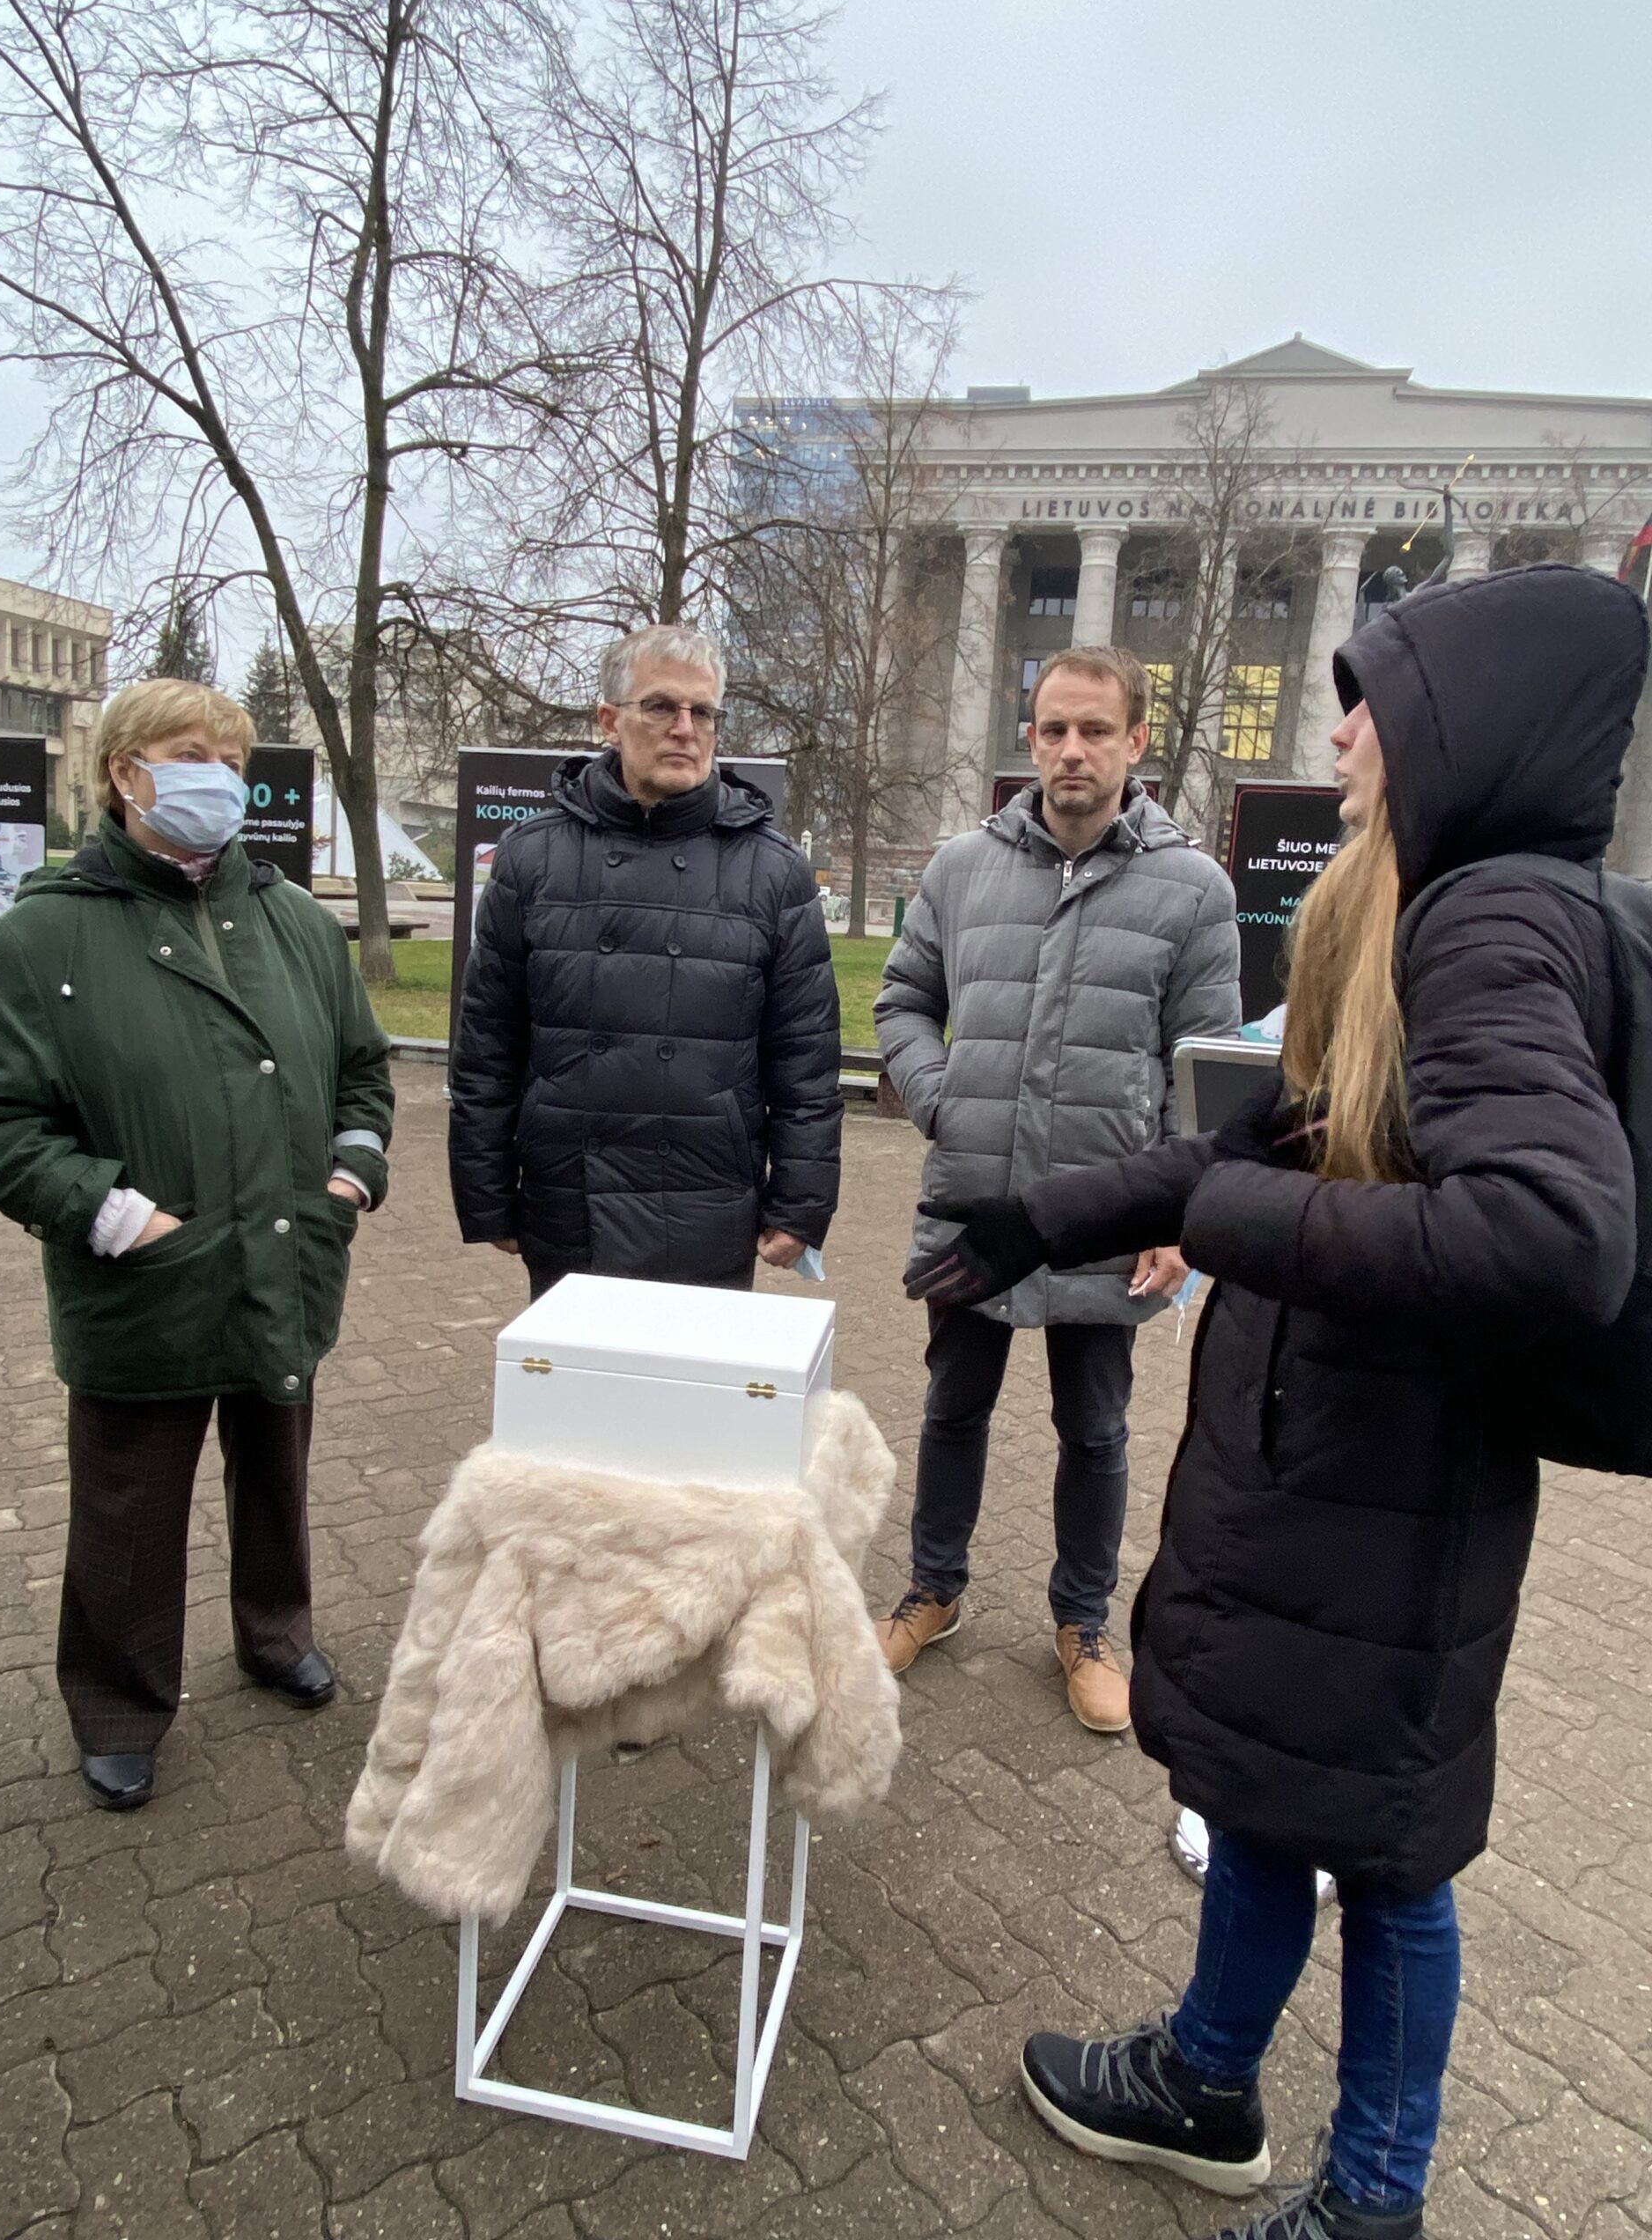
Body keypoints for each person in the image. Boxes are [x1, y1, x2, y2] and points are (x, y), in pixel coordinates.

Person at [904, 564, 1645, 2239]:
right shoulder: (1418, 904)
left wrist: (1226, 1224)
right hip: (1321, 1461)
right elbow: (1285, 1140)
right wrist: (1053, 1217)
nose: (1343, 734)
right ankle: (1205, 2081)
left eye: (1374, 704)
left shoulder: (1488, 923)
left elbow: (1550, 1232)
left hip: (1394, 1484)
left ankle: (1372, 2200)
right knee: (1255, 1777)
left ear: (1462, 727)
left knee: (1383, 1849)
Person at [0, 679, 393, 1811]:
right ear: (126, 772)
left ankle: (276, 1632)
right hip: (144, 1275)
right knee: (128, 1509)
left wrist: (351, 1170)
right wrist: (111, 1213)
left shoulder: (297, 922)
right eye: (190, 753)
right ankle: (118, 1703)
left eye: (231, 759)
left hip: (284, 1254)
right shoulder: (44, 932)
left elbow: (362, 1068)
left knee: (278, 1478)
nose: (218, 777)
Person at [873, 645, 1239, 1731]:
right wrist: (942, 1098)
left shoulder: (1195, 891)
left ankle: (1084, 1621)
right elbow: (902, 1002)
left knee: (1096, 1430)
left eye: (1095, 730)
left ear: (1137, 742)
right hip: (976, 1206)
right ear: (1029, 738)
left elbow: (1204, 1069)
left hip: (1107, 1216)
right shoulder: (960, 870)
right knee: (953, 1408)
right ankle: (935, 1587)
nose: (1071, 749)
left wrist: (1181, 1219)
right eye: (1053, 729)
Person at [448, 624, 840, 1292]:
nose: (685, 728)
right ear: (610, 721)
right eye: (660, 706)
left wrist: (801, 1202)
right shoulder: (532, 857)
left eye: (703, 712)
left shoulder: (773, 870)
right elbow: (488, 1044)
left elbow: (804, 1058)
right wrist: (485, 1192)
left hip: (710, 1202)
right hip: (569, 1201)